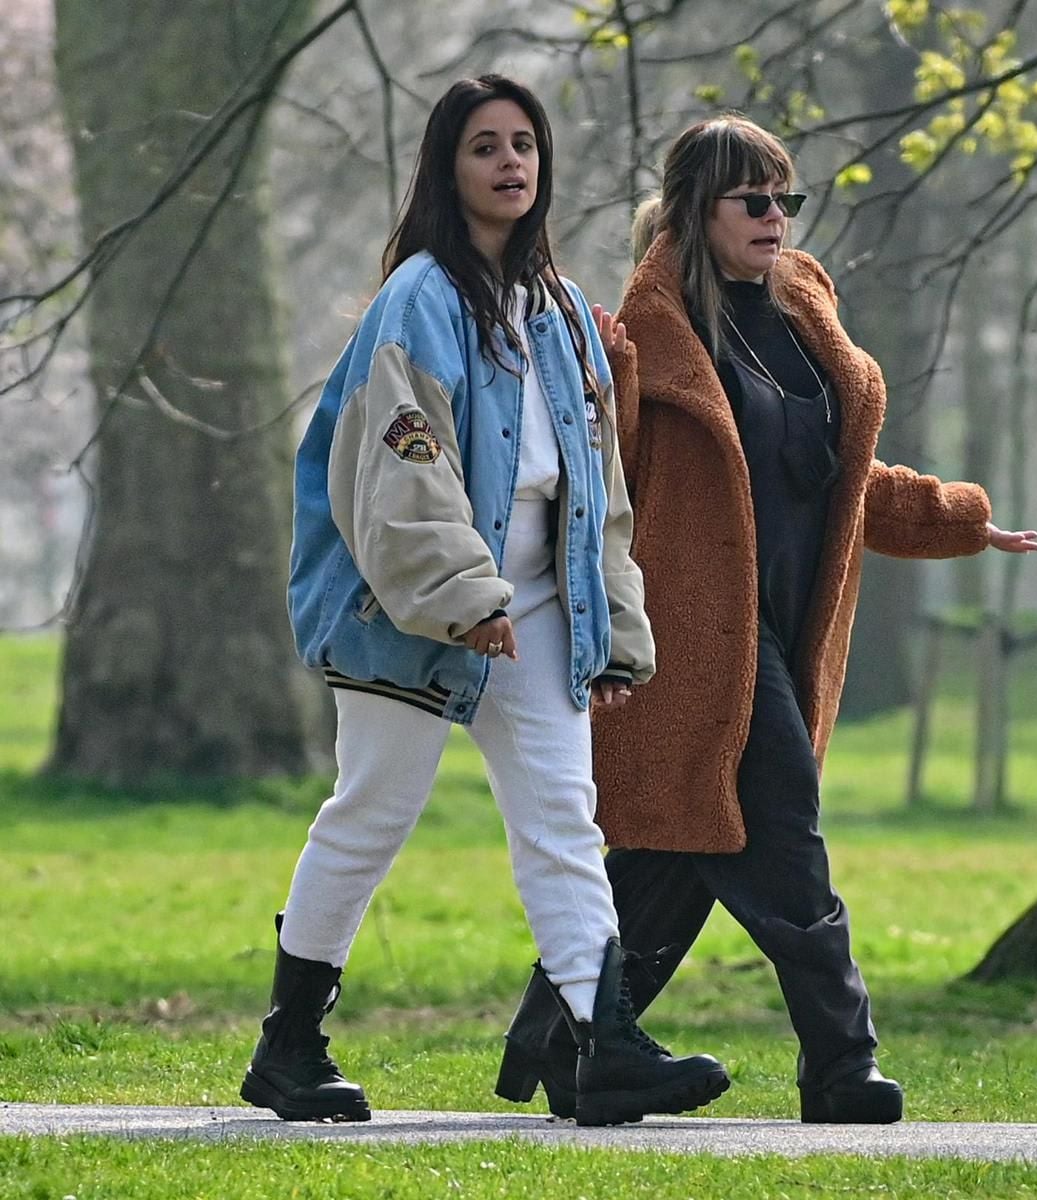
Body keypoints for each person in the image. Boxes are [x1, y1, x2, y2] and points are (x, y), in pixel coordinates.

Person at [495, 114, 1037, 1125]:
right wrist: (608, 386)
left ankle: (559, 1037)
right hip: (695, 648)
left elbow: (832, 484)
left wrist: (960, 520)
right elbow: (599, 476)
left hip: (783, 639)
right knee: (784, 832)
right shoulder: (645, 336)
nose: (776, 216)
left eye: (785, 197)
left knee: (674, 853)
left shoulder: (799, 312)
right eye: (755, 198)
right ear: (700, 209)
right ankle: (842, 1064)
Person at [239, 76, 730, 1128]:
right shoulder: (419, 296)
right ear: (446, 170)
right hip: (405, 610)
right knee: (373, 811)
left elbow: (597, 485)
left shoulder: (557, 311)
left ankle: (609, 1045)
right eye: (485, 147)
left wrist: (612, 628)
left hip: (541, 602)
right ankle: (288, 1047)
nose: (511, 162)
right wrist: (462, 599)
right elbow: (402, 461)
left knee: (562, 814)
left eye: (525, 144)